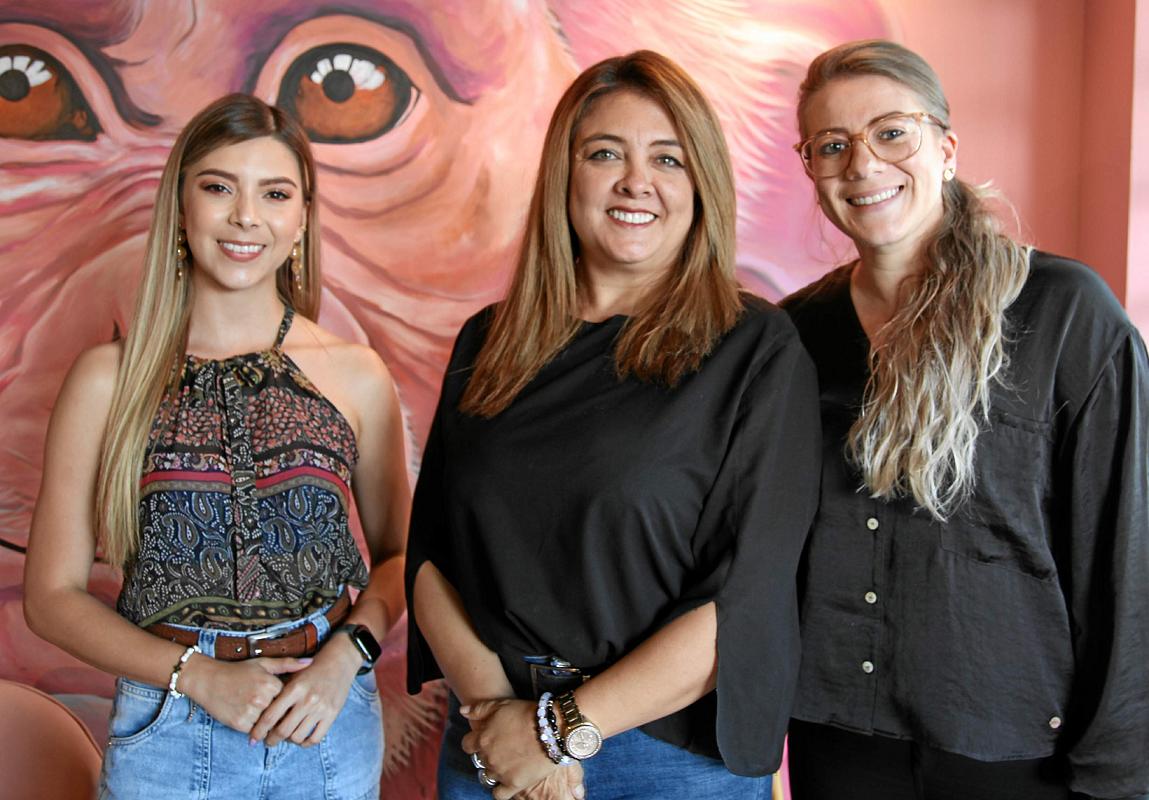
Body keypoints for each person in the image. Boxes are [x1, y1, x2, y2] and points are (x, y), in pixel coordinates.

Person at [403, 49, 820, 800]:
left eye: (668, 158)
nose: (637, 182)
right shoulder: (486, 342)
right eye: (605, 153)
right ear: (566, 174)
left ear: (701, 186)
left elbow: (745, 599)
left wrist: (558, 731)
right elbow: (431, 557)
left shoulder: (754, 352)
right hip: (491, 744)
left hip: (665, 758)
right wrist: (503, 721)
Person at [782, 39, 1149, 800]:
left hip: (1012, 751)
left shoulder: (1063, 314)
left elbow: (1127, 556)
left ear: (944, 148)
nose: (862, 165)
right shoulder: (794, 335)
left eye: (891, 132)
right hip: (836, 741)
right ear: (810, 170)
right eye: (832, 145)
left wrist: (1119, 775)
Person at [23, 94, 410, 799]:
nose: (245, 216)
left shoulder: (356, 374)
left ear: (301, 219)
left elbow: (401, 558)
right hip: (169, 728)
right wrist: (196, 675)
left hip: (324, 719)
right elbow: (50, 597)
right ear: (181, 208)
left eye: (274, 192)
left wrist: (345, 658)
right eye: (217, 187)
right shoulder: (107, 379)